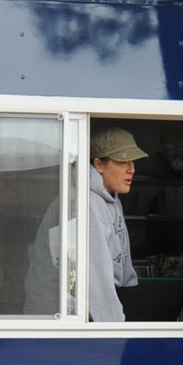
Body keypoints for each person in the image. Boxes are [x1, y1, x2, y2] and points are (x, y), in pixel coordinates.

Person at [22, 126, 142, 320]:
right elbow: (93, 281)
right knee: (169, 296)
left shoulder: (111, 198)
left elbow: (124, 271)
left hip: (90, 301)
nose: (132, 169)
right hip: (61, 312)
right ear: (99, 164)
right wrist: (116, 331)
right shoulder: (84, 202)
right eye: (123, 161)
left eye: (133, 161)